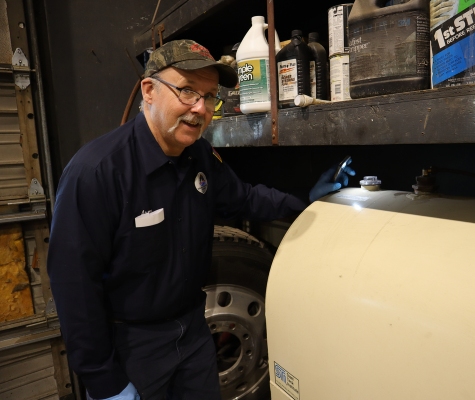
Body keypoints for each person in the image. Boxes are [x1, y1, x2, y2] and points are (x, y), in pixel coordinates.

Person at [47, 39, 355, 400]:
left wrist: (306, 201)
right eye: (187, 91)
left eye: (209, 96)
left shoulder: (199, 156)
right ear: (149, 90)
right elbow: (74, 286)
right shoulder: (97, 172)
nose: (200, 108)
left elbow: (246, 199)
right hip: (132, 345)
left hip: (194, 332)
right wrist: (105, 382)